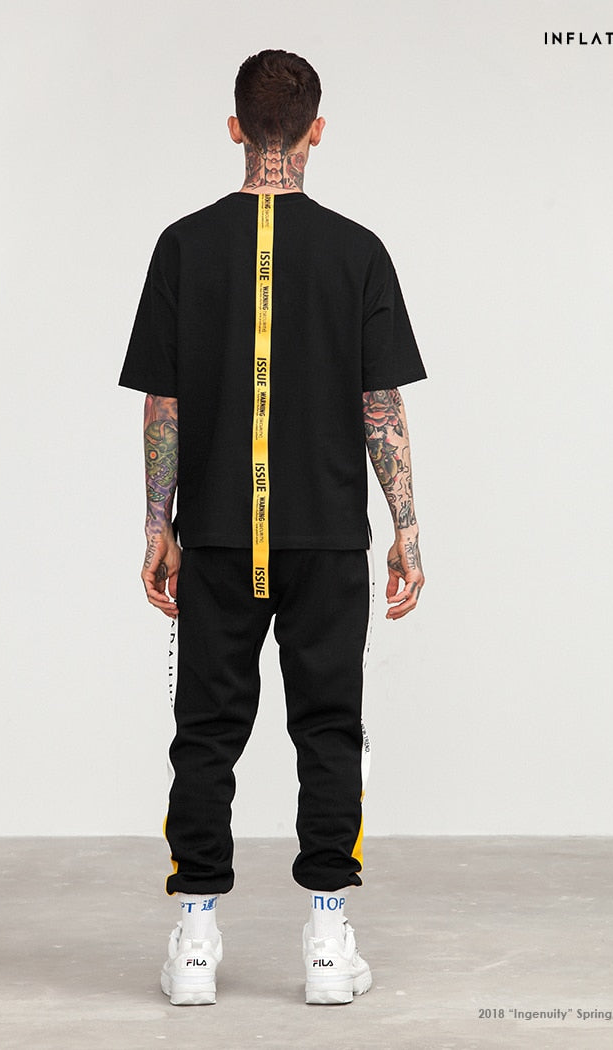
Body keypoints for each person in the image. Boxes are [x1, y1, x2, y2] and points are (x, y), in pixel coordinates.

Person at [119, 48, 426, 1007]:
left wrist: (158, 525)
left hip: (217, 537)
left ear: (236, 128)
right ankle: (327, 941)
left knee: (204, 731)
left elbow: (163, 405)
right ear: (316, 131)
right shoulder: (357, 251)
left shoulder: (182, 245)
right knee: (330, 726)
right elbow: (380, 405)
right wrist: (407, 526)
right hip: (326, 537)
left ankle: (195, 941)